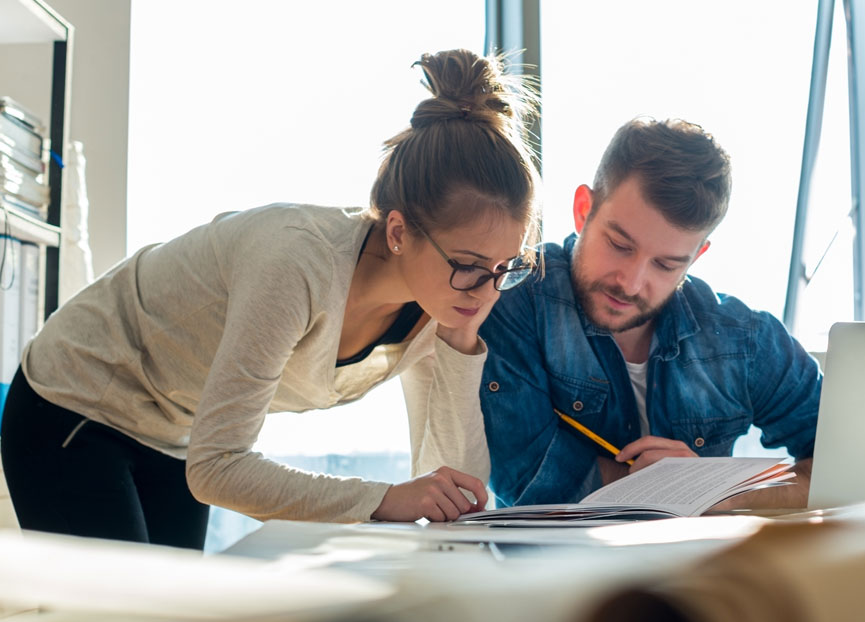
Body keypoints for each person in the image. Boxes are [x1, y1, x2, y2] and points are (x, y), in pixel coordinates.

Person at [0, 48, 542, 549]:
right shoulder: (296, 264)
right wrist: (380, 499)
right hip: (77, 396)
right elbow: (218, 467)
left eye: (506, 269)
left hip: (174, 432)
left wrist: (459, 344)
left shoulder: (441, 305)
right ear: (399, 233)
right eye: (469, 267)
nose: (487, 291)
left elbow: (459, 493)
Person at [477, 117, 821, 509]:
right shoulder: (515, 298)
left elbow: (847, 466)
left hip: (703, 569)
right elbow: (526, 478)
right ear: (583, 209)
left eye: (666, 265)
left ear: (695, 258)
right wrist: (657, 485)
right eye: (620, 245)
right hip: (555, 569)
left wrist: (719, 492)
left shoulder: (745, 339)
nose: (632, 282)